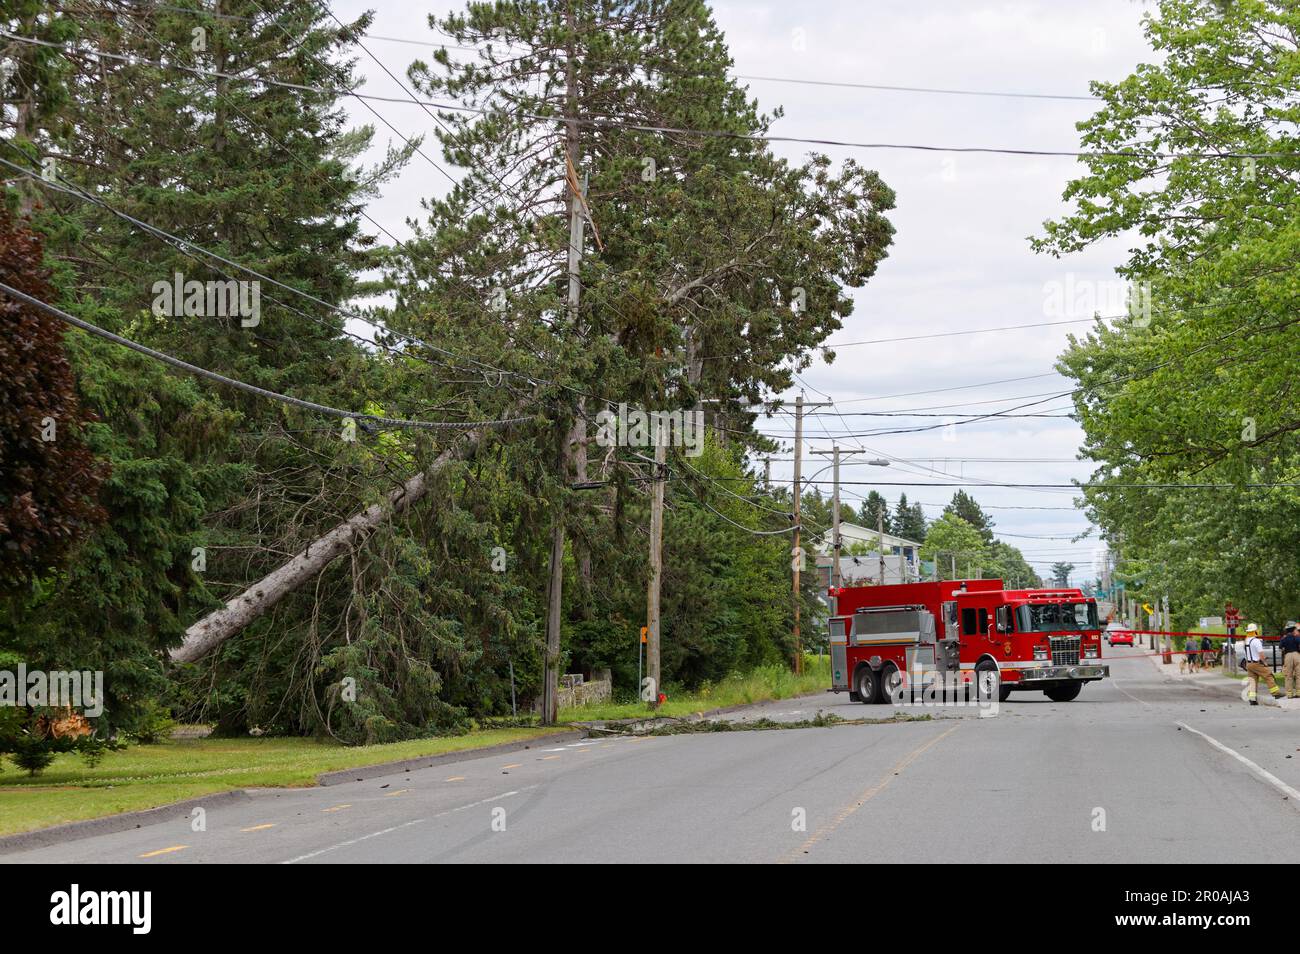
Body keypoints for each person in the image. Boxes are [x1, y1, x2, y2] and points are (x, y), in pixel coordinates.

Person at [1243, 623, 1283, 705]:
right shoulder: (1256, 641)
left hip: (1249, 664)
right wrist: (1265, 663)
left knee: (1253, 681)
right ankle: (1276, 693)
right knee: (1268, 676)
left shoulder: (1246, 641)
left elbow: (1247, 653)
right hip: (1257, 663)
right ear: (1255, 631)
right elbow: (1261, 654)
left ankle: (1252, 699)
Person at [1280, 622, 1300, 700]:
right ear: (1294, 629)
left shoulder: (1284, 638)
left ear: (1286, 630)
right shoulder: (1297, 637)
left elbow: (1281, 646)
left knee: (1288, 675)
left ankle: (1289, 694)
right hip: (1296, 655)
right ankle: (1299, 693)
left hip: (1288, 655)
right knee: (1299, 675)